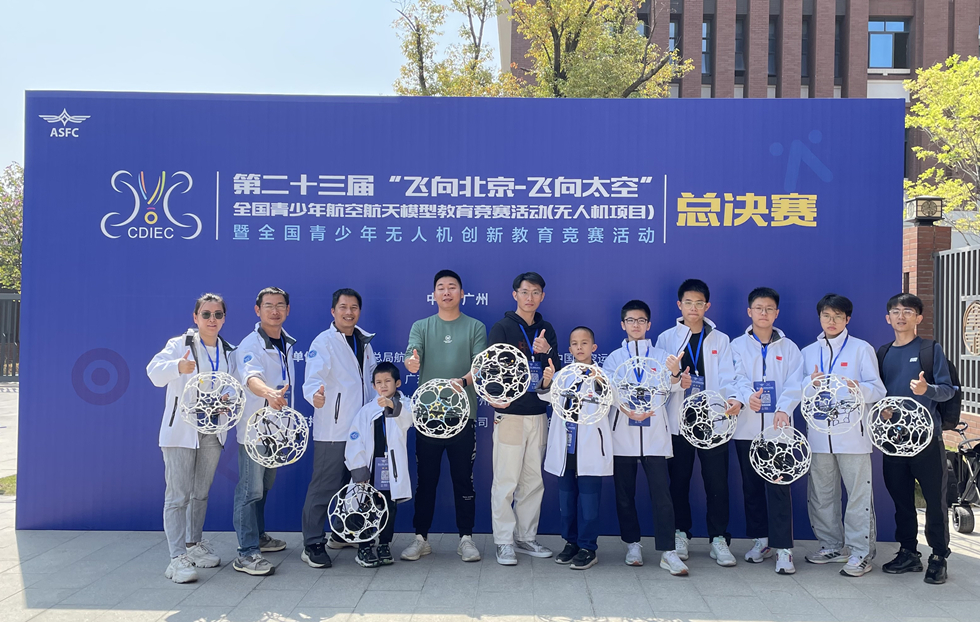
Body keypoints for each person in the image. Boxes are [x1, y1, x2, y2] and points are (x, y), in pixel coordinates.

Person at [147, 293, 238, 583]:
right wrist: (177, 367)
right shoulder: (179, 345)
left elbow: (234, 385)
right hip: (181, 431)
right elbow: (153, 372)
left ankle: (193, 544)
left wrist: (228, 398)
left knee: (201, 492)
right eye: (206, 314)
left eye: (218, 314)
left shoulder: (228, 351)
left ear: (224, 318)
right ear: (195, 317)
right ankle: (176, 559)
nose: (212, 319)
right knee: (177, 496)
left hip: (213, 429)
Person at [656, 279, 745, 567]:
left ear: (707, 306)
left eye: (699, 303)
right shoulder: (666, 339)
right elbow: (659, 380)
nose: (693, 308)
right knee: (678, 481)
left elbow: (730, 376)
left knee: (717, 482)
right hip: (679, 420)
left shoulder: (720, 339)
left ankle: (718, 539)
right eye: (688, 303)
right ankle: (680, 533)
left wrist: (734, 398)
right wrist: (674, 381)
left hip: (713, 420)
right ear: (679, 305)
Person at [401, 270, 488, 563]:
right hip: (428, 417)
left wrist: (462, 382)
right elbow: (412, 357)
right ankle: (420, 538)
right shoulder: (421, 326)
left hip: (462, 416)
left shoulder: (475, 327)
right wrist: (412, 363)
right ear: (434, 294)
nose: (447, 292)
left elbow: (479, 365)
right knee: (426, 480)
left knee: (464, 479)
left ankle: (466, 539)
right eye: (441, 287)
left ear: (462, 293)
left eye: (452, 287)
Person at [800, 293, 886, 577]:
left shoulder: (861, 349)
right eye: (826, 315)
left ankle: (861, 552)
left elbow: (878, 390)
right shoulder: (808, 352)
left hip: (853, 438)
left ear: (847, 319)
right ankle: (831, 546)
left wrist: (857, 387)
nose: (832, 321)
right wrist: (809, 383)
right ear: (819, 318)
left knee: (858, 497)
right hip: (819, 437)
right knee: (822, 495)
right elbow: (797, 390)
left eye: (838, 316)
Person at [876, 293, 956, 584]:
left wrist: (927, 390)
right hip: (894, 441)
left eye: (908, 311)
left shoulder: (930, 349)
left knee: (935, 501)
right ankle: (908, 552)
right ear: (888, 318)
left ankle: (938, 556)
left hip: (927, 440)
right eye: (896, 311)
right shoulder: (883, 352)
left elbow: (948, 390)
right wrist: (883, 409)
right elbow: (879, 393)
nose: (901, 316)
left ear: (918, 318)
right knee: (901, 500)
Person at [603, 302, 688, 575]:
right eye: (631, 320)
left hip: (654, 435)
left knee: (662, 495)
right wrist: (625, 408)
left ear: (649, 325)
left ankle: (668, 551)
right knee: (624, 494)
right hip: (623, 434)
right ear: (623, 325)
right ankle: (632, 544)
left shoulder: (663, 355)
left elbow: (674, 386)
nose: (636, 325)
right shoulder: (614, 358)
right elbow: (608, 390)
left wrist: (675, 373)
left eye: (641, 320)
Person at [300, 288, 377, 569]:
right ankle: (312, 544)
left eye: (354, 307)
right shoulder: (324, 341)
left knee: (355, 487)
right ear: (333, 311)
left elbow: (371, 380)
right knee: (324, 487)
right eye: (343, 307)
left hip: (361, 430)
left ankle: (343, 534)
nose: (349, 312)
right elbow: (313, 378)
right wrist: (315, 396)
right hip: (333, 429)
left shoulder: (364, 341)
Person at [730, 287, 805, 575]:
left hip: (779, 431)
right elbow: (733, 377)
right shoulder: (737, 345)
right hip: (746, 430)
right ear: (749, 312)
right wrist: (746, 396)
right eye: (758, 308)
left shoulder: (789, 348)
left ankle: (784, 549)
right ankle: (761, 541)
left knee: (779, 487)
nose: (764, 313)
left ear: (777, 313)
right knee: (751, 489)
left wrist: (784, 408)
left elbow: (796, 383)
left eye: (769, 308)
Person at [487, 272, 560, 565]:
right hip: (510, 415)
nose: (530, 298)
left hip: (538, 414)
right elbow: (490, 370)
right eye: (525, 292)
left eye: (536, 292)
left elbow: (556, 372)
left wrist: (547, 351)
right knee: (506, 480)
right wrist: (496, 398)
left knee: (533, 481)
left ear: (543, 296)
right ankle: (504, 541)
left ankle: (525, 537)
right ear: (515, 294)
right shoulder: (502, 328)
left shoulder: (546, 329)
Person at [232, 287, 295, 576]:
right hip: (254, 429)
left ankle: (258, 537)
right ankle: (246, 553)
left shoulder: (286, 342)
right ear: (257, 310)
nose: (275, 310)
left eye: (280, 305)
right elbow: (251, 378)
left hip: (275, 430)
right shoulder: (250, 344)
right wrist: (269, 393)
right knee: (250, 489)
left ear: (287, 310)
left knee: (264, 486)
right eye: (268, 305)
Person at [538, 326, 610, 571]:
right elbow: (544, 397)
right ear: (569, 349)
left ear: (594, 347)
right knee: (567, 503)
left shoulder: (603, 375)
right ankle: (571, 543)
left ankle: (588, 547)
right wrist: (547, 380)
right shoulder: (562, 375)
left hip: (590, 450)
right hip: (566, 450)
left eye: (584, 343)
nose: (580, 347)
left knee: (589, 505)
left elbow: (611, 399)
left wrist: (598, 381)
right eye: (575, 344)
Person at [345, 363, 414, 567]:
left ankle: (384, 544)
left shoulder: (405, 405)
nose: (383, 386)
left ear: (397, 383)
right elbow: (355, 439)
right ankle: (364, 547)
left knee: (388, 508)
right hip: (370, 469)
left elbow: (408, 420)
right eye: (378, 382)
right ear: (373, 386)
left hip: (391, 469)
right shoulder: (367, 410)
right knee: (365, 507)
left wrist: (392, 405)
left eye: (387, 381)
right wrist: (359, 468)